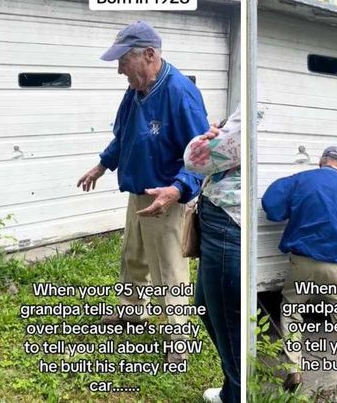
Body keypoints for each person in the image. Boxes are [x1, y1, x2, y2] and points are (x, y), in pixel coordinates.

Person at [76, 21, 209, 363]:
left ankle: (179, 337)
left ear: (149, 55)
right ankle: (132, 311)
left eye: (124, 60)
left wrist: (178, 190)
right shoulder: (134, 92)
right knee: (133, 258)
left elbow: (202, 157)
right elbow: (124, 137)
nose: (120, 70)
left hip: (166, 199)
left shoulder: (181, 94)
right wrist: (102, 166)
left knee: (169, 270)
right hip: (138, 192)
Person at [261, 147, 337, 403]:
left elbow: (272, 206)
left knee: (292, 311)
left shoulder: (299, 180)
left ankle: (293, 369)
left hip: (302, 263)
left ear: (321, 162)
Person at [183, 105, 241, 403]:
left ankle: (238, 393)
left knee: (229, 324)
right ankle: (232, 388)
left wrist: (203, 138)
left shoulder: (259, 106)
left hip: (229, 225)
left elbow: (196, 158)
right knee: (205, 304)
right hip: (220, 220)